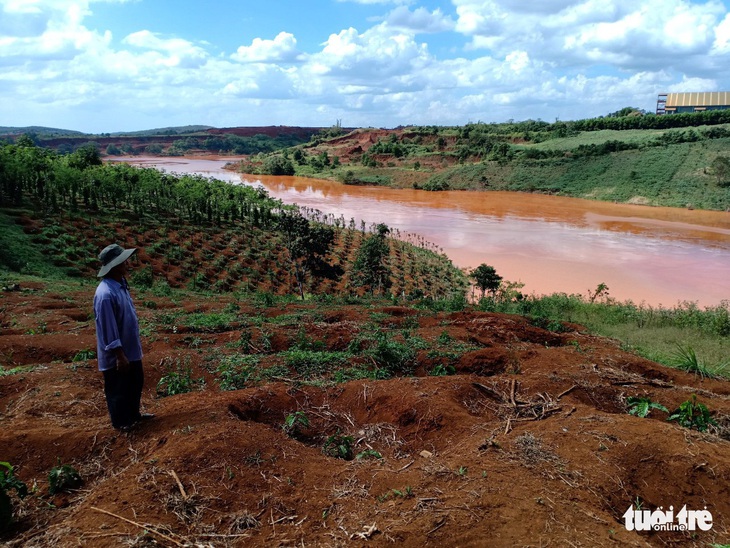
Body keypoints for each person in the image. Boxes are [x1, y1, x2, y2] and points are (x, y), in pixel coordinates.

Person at [94, 244, 153, 431]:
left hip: (131, 349)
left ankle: (134, 415)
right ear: (115, 265)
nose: (127, 263)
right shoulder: (105, 294)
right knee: (118, 388)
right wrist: (119, 355)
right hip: (118, 354)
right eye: (123, 261)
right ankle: (121, 423)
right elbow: (108, 328)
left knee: (135, 382)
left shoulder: (120, 285)